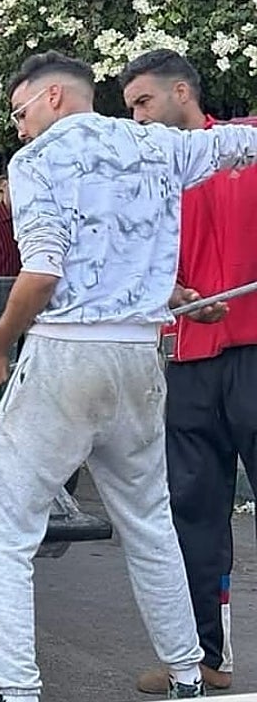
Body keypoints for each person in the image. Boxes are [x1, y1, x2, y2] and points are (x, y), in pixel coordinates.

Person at [0, 50, 257, 701]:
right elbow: (244, 145)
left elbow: (41, 274)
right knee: (149, 518)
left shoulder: (39, 163)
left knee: (0, 525)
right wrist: (167, 295)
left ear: (56, 99)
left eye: (21, 112)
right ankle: (187, 671)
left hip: (67, 357)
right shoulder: (161, 147)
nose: (17, 130)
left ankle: (17, 690)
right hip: (138, 359)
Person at [120, 48, 257, 694]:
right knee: (193, 516)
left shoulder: (247, 144)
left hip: (256, 355)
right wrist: (165, 292)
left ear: (183, 92)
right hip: (189, 366)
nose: (138, 117)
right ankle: (208, 660)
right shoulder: (148, 177)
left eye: (144, 102)